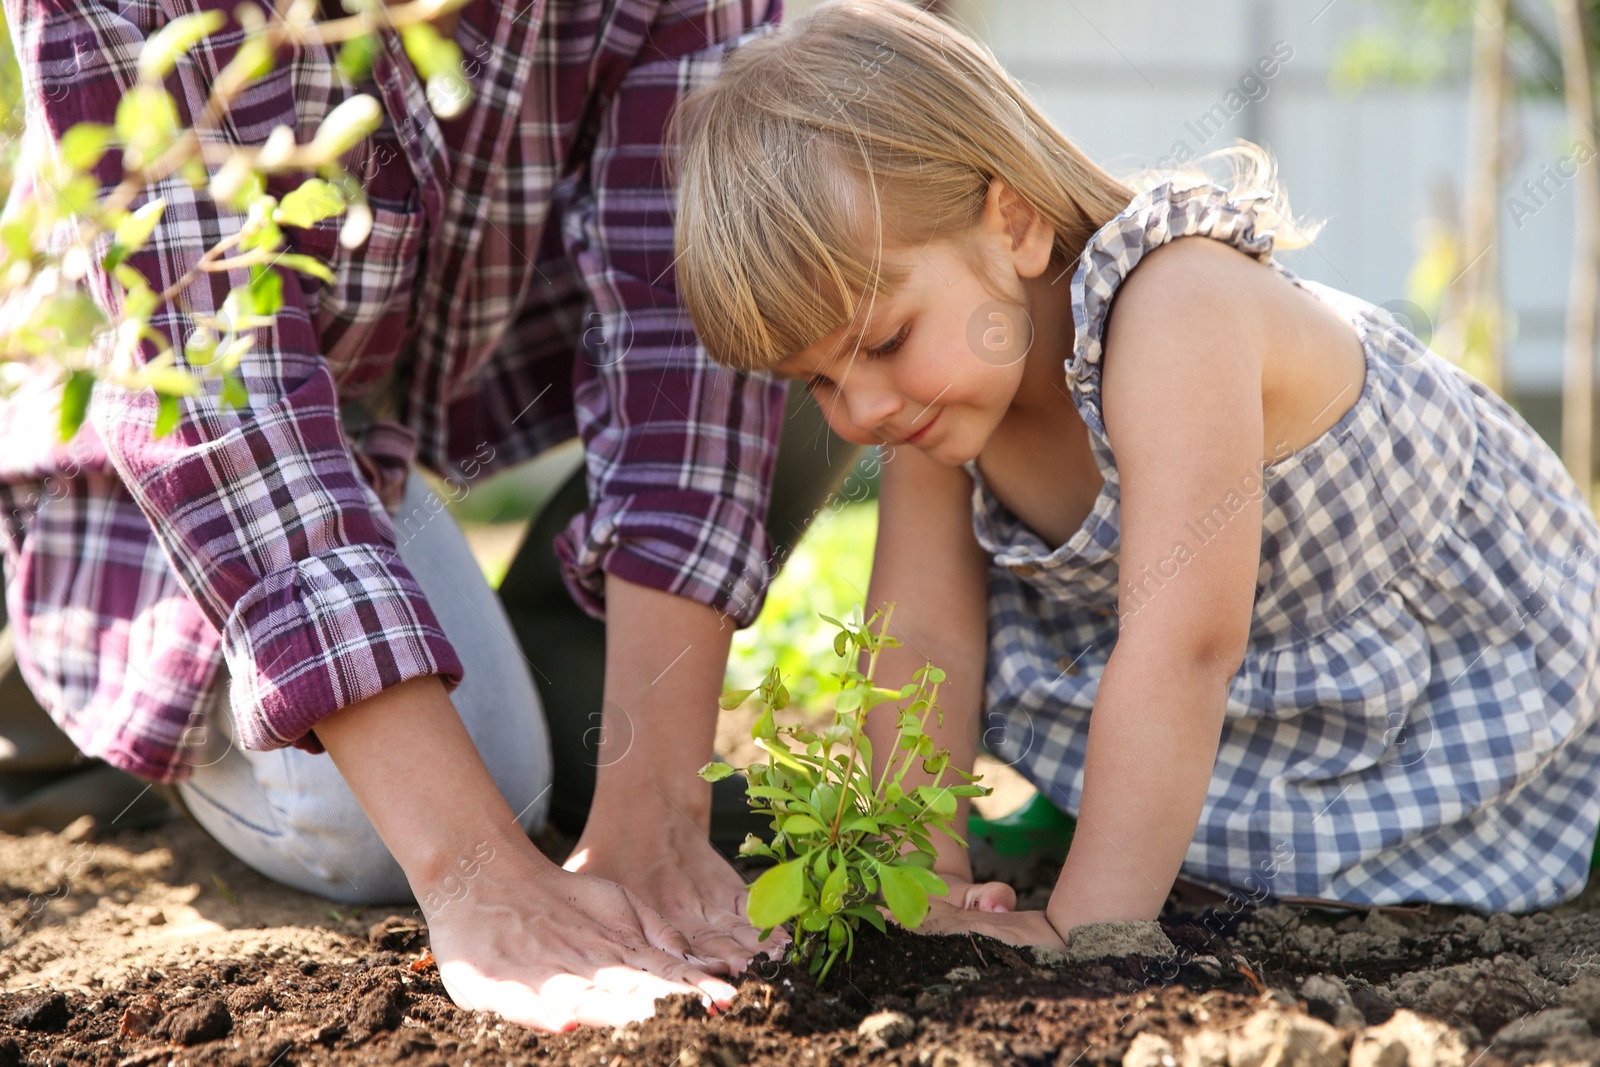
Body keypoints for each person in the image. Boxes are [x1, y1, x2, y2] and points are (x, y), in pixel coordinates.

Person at [0, 0, 861, 1031]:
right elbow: (223, 394)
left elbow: (687, 308)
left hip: (421, 378)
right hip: (170, 428)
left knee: (821, 328)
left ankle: (569, 696)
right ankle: (81, 669)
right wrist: (475, 868)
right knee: (387, 830)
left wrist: (657, 816)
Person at [670, 0, 1600, 945]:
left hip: (1439, 674)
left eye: (886, 340)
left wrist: (1085, 929)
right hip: (1234, 683)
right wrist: (928, 872)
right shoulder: (945, 407)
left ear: (1016, 224)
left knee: (1333, 898)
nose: (860, 410)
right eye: (819, 380)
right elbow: (922, 638)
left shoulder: (1174, 310)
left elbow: (1189, 646)